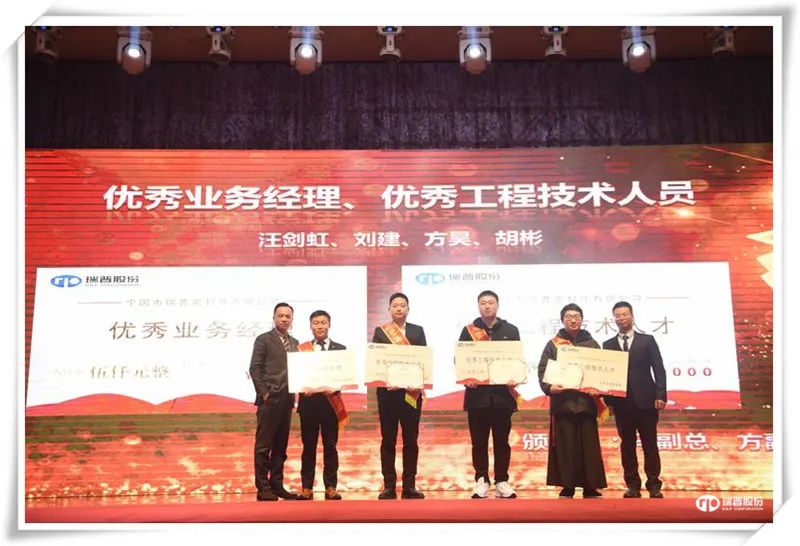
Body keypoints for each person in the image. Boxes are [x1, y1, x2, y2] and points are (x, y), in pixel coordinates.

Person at [537, 303, 607, 499]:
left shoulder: (592, 343)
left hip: (586, 403)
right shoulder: (553, 344)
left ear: (582, 319)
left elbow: (601, 371)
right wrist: (549, 387)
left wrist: (598, 388)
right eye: (568, 316)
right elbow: (543, 369)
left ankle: (590, 486)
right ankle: (567, 486)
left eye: (576, 316)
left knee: (588, 448)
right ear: (562, 320)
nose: (573, 320)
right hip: (563, 403)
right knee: (565, 448)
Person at [458, 290, 520, 499]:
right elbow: (460, 360)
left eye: (491, 302)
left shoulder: (511, 330)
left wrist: (515, 375)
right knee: (479, 442)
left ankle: (502, 481)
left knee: (502, 441)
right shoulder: (468, 331)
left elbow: (517, 360)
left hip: (503, 397)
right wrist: (467, 377)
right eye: (483, 303)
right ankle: (481, 480)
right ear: (478, 306)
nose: (487, 306)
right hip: (477, 398)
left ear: (497, 305)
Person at [602, 301, 667, 499]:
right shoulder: (608, 345)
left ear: (632, 316)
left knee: (650, 444)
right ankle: (632, 485)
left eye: (625, 314)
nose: (621, 318)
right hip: (621, 403)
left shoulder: (647, 340)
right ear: (613, 319)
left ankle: (654, 485)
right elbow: (606, 374)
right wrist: (608, 401)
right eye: (618, 315)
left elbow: (659, 368)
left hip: (646, 401)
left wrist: (661, 395)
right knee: (627, 445)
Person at [371, 292, 427, 500]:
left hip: (411, 394)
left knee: (411, 440)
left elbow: (423, 360)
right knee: (388, 440)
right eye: (395, 305)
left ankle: (409, 487)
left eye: (402, 305)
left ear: (408, 309)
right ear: (389, 309)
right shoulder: (381, 332)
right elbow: (376, 360)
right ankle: (389, 487)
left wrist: (416, 380)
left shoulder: (417, 331)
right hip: (388, 395)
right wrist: (387, 379)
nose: (399, 308)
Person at [249, 302, 300, 501]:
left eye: (288, 316)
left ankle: (277, 485)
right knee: (264, 446)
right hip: (269, 400)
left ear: (292, 320)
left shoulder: (295, 343)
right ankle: (263, 487)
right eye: (281, 316)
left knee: (280, 446)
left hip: (287, 400)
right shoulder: (263, 339)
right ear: (274, 318)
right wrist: (264, 393)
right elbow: (255, 368)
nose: (284, 319)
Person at [295, 310, 348, 501]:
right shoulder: (301, 350)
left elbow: (345, 377)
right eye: (316, 323)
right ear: (310, 326)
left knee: (330, 447)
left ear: (329, 325)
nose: (320, 326)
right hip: (308, 404)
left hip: (330, 404)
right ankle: (306, 487)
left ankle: (331, 487)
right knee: (308, 447)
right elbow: (297, 375)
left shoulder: (340, 349)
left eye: (323, 322)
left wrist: (334, 387)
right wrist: (302, 388)